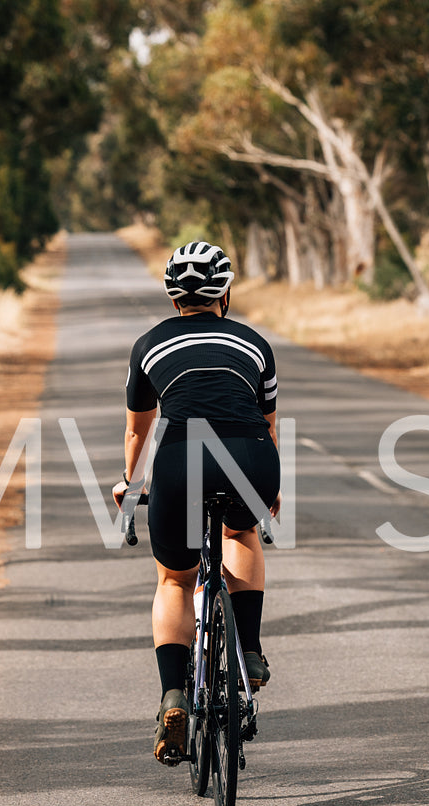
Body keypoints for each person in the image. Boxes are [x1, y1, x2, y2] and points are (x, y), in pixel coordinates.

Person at [113, 242, 280, 765]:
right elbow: (268, 425)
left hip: (181, 460)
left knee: (175, 580)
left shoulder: (148, 346)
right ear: (224, 292)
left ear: (171, 294)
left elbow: (138, 430)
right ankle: (248, 651)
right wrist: (269, 489)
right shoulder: (254, 343)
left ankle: (173, 695)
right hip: (250, 456)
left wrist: (130, 484)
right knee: (240, 533)